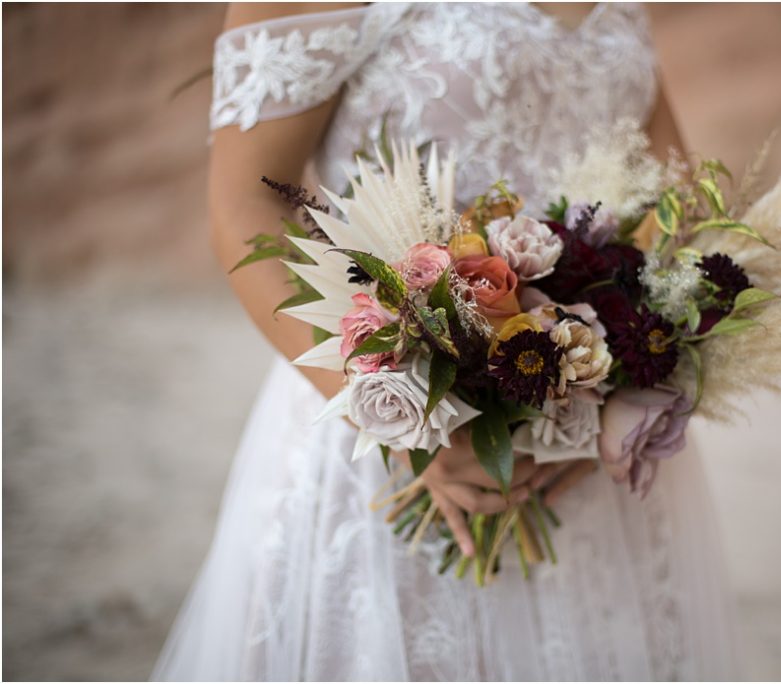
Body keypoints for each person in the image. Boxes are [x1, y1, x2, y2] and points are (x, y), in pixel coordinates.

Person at [154, 3, 740, 680]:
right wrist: (405, 422)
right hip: (392, 414)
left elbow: (676, 204)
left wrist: (608, 392)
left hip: (584, 442)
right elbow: (245, 203)